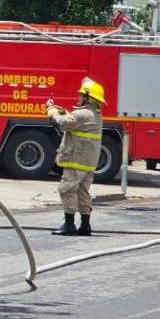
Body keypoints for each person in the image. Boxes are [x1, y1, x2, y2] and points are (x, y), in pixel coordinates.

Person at [47, 78, 105, 236]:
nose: (78, 98)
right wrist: (65, 112)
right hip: (88, 163)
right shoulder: (95, 114)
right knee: (82, 192)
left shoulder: (82, 114)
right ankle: (85, 225)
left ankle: (69, 224)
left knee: (66, 189)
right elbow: (74, 122)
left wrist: (51, 110)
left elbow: (60, 123)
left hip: (76, 161)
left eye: (81, 95)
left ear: (88, 98)